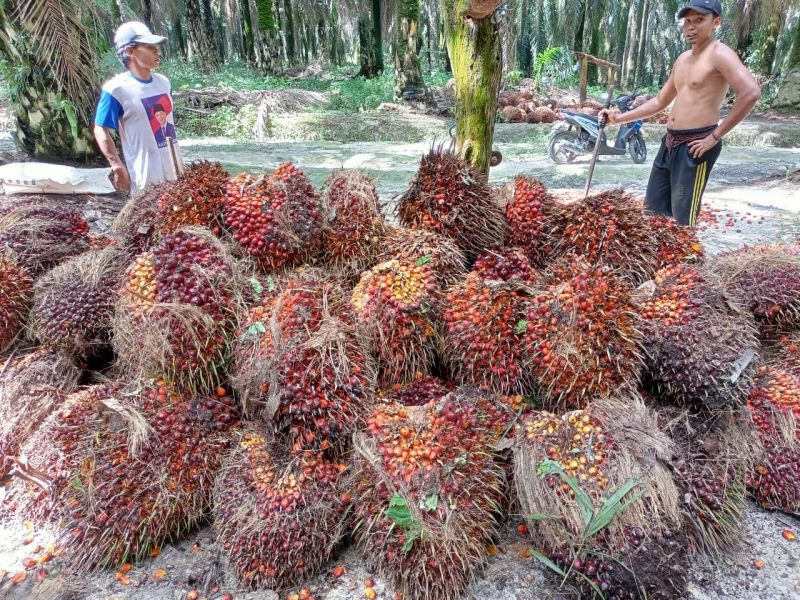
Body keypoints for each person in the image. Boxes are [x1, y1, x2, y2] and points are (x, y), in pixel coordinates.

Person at [600, 0, 760, 227]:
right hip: (669, 142)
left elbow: (751, 93)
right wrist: (619, 118)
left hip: (696, 144)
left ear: (716, 22)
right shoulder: (682, 59)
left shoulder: (720, 54)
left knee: (683, 220)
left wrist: (714, 137)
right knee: (653, 214)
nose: (691, 27)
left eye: (699, 20)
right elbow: (660, 101)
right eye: (687, 21)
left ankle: (688, 251)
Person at [94, 21, 182, 194]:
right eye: (148, 46)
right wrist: (117, 166)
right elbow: (100, 128)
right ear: (130, 51)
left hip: (175, 168)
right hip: (145, 176)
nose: (156, 51)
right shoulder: (116, 89)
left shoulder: (164, 83)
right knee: (148, 209)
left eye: (155, 46)